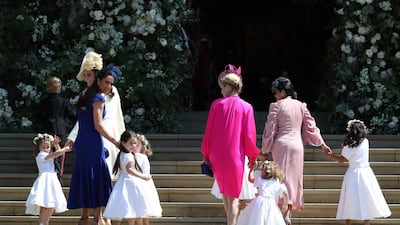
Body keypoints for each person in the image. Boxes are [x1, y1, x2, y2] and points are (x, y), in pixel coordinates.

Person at [261, 75, 331, 223]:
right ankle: (288, 212)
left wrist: (265, 150)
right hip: (297, 145)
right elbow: (311, 126)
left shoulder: (276, 106)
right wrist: (322, 144)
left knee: (280, 178)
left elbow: (270, 129)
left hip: (281, 144)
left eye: (276, 91)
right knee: (293, 179)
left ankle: (282, 213)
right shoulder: (301, 105)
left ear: (282, 92)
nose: (274, 94)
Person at [201, 64, 260, 225]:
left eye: (222, 87)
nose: (221, 90)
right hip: (235, 156)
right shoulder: (247, 107)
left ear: (228, 86)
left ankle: (230, 222)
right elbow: (249, 136)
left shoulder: (216, 104)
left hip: (217, 155)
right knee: (233, 197)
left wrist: (206, 154)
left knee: (226, 196)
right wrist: (253, 156)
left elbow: (209, 133)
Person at [67, 68, 119, 225]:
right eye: (106, 82)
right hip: (92, 141)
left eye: (111, 84)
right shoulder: (98, 99)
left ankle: (84, 218)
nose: (109, 86)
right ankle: (97, 218)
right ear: (98, 81)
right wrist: (115, 141)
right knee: (98, 177)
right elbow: (98, 125)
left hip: (82, 141)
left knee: (86, 176)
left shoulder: (84, 95)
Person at [66, 52, 125, 182]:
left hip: (107, 133)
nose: (87, 79)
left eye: (89, 75)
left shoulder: (109, 91)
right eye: (85, 75)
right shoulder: (86, 93)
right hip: (93, 134)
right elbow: (85, 119)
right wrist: (72, 137)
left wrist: (121, 137)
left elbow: (117, 116)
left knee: (107, 173)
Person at [323, 119, 391, 225]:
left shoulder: (348, 145)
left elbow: (341, 160)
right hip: (366, 172)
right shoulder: (366, 142)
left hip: (353, 173)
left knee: (350, 198)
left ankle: (348, 223)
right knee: (367, 197)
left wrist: (329, 155)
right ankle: (366, 223)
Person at [103, 130, 162, 225]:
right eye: (131, 143)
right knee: (133, 208)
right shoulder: (128, 156)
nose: (134, 146)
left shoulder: (123, 153)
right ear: (123, 143)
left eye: (135, 143)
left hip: (123, 182)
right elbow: (130, 170)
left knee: (127, 208)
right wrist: (142, 176)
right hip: (130, 183)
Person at [25, 133, 71, 225]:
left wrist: (56, 144)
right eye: (44, 147)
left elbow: (58, 153)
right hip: (46, 180)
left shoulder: (48, 154)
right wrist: (65, 149)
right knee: (48, 203)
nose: (46, 149)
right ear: (39, 147)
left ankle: (43, 223)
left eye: (48, 147)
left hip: (51, 179)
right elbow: (56, 153)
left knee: (48, 204)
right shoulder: (41, 155)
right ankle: (43, 223)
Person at [36, 76, 75, 185]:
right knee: (59, 154)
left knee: (46, 152)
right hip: (60, 130)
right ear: (58, 88)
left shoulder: (43, 101)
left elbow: (37, 116)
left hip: (47, 130)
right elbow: (71, 115)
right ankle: (58, 175)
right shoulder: (63, 101)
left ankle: (48, 173)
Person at [236, 160, 289, 225]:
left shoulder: (260, 180)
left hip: (259, 202)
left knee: (258, 218)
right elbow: (285, 192)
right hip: (271, 203)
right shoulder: (276, 182)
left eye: (262, 170)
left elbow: (250, 179)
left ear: (267, 173)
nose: (261, 172)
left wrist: (251, 170)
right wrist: (285, 203)